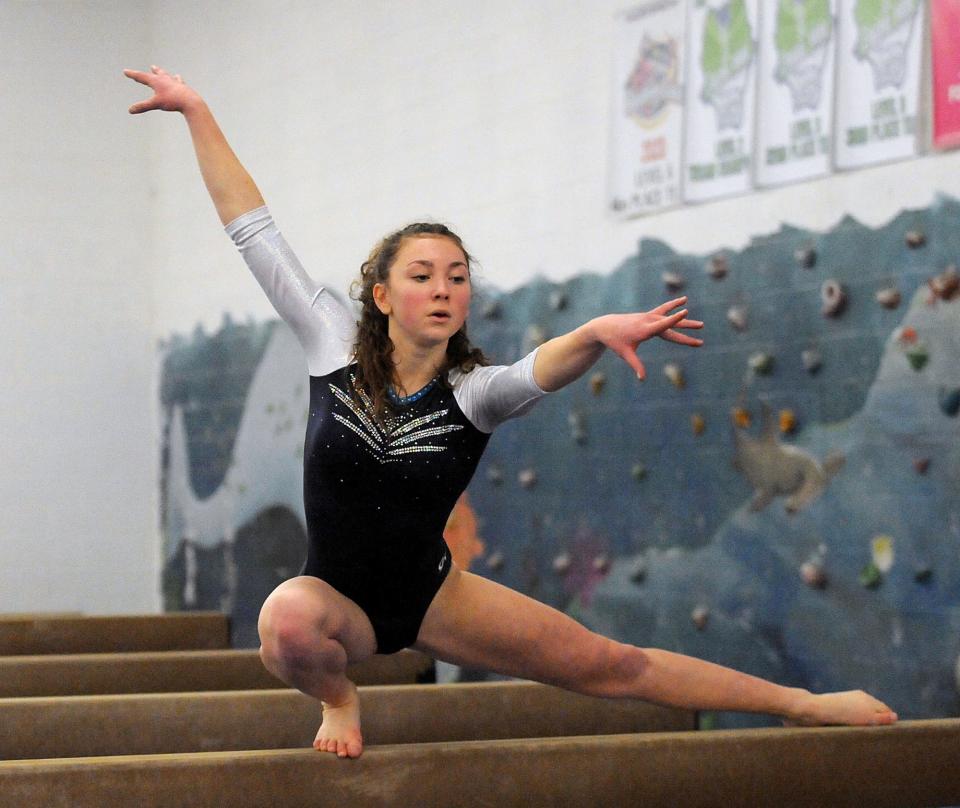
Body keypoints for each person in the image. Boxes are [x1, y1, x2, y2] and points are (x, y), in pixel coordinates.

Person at [125, 65, 898, 759]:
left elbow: (542, 368)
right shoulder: (331, 346)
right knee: (284, 621)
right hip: (339, 602)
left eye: (456, 277)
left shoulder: (474, 393)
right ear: (384, 294)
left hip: (432, 593)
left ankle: (802, 704)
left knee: (611, 665)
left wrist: (595, 331)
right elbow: (252, 230)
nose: (442, 289)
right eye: (422, 275)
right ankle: (339, 698)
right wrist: (196, 110)